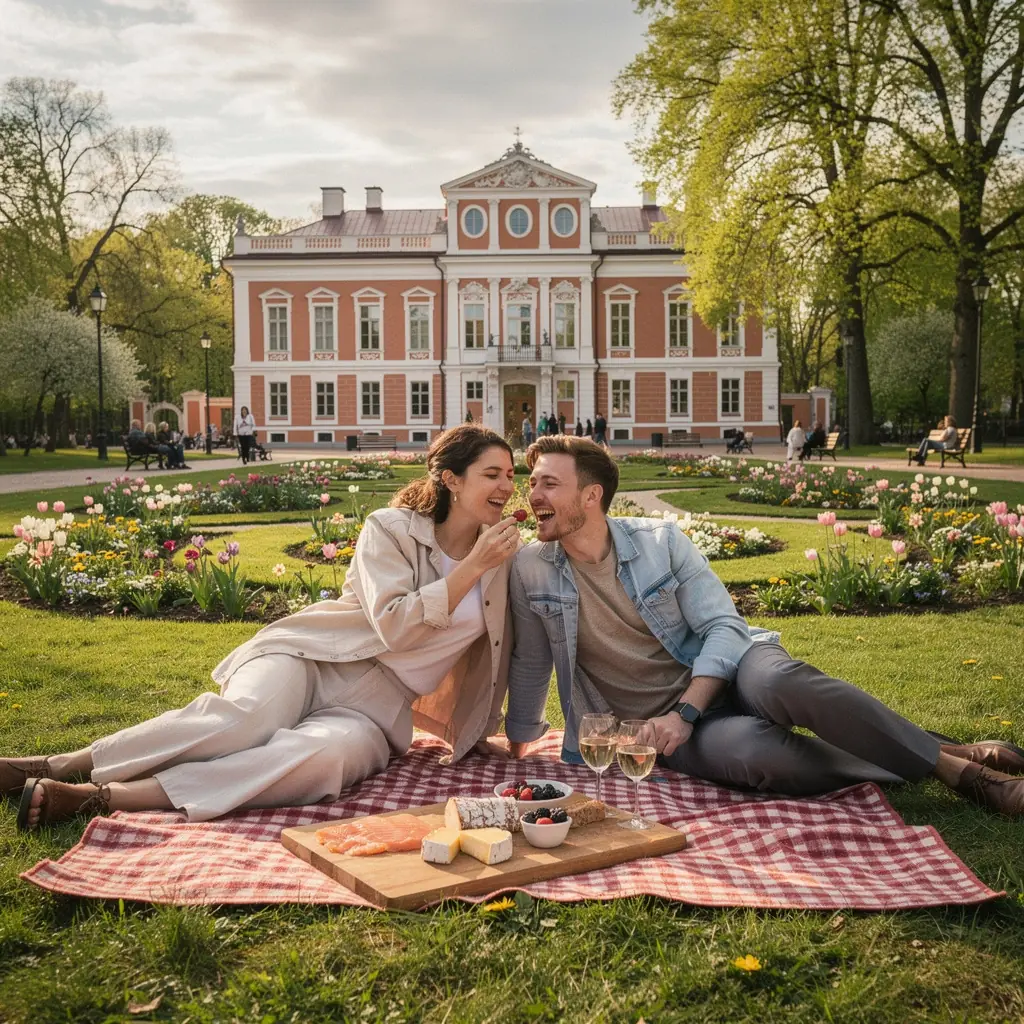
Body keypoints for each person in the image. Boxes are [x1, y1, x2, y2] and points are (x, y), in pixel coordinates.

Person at [7, 425, 523, 830]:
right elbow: (393, 627)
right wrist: (471, 567)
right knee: (245, 720)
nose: (507, 485)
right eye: (493, 473)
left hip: (380, 707)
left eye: (510, 474)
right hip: (314, 658)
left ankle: (101, 798)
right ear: (451, 479)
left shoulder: (505, 560)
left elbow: (519, 650)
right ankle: (57, 766)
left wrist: (486, 727)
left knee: (323, 757)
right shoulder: (389, 529)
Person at [503, 436, 1024, 817]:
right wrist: (519, 741)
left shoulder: (661, 541)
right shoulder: (532, 568)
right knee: (759, 754)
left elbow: (724, 628)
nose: (533, 495)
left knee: (782, 682)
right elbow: (530, 660)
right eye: (532, 484)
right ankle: (934, 750)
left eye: (549, 483)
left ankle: (962, 774)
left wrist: (688, 708)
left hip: (729, 670)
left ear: (591, 496)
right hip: (657, 730)